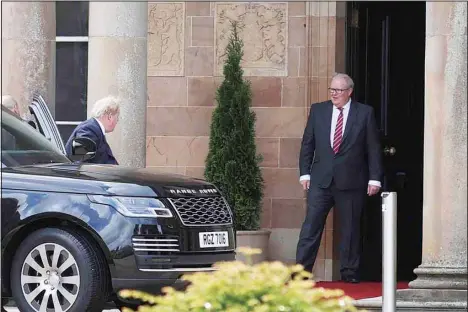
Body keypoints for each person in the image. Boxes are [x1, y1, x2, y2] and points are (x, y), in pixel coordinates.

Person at [296, 73, 383, 283]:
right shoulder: (318, 110)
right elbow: (308, 143)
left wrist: (375, 178)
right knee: (310, 228)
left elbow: (373, 147)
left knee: (350, 230)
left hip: (352, 181)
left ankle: (349, 274)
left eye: (339, 90)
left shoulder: (364, 113)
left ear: (349, 91)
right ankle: (300, 274)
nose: (334, 94)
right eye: (332, 90)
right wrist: (304, 172)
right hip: (321, 180)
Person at [65, 95, 120, 165]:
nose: (117, 121)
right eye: (117, 117)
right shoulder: (89, 129)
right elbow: (80, 165)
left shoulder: (95, 129)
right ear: (110, 117)